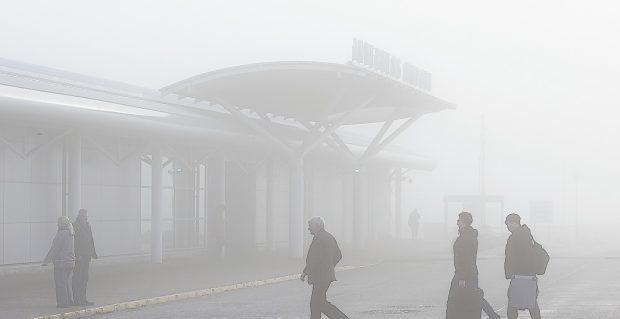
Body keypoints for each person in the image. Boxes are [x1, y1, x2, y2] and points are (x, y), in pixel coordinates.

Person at [446, 212, 500, 319]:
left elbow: (466, 259)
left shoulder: (466, 237)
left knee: (456, 300)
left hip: (464, 274)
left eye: (459, 220)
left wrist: (462, 277)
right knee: (473, 297)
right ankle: (493, 315)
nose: (457, 222)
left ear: (463, 222)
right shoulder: (468, 235)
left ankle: (493, 315)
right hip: (468, 273)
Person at [300, 217, 349, 319]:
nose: (308, 229)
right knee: (319, 302)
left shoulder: (319, 238)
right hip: (325, 276)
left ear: (318, 225)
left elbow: (314, 258)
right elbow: (338, 255)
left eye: (310, 226)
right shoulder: (329, 236)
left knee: (316, 303)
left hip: (320, 276)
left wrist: (305, 272)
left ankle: (341, 318)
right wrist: (329, 266)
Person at [504, 213, 541, 319]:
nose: (509, 226)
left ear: (517, 223)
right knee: (530, 302)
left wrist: (511, 272)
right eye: (507, 223)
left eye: (511, 223)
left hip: (521, 274)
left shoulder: (517, 236)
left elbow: (515, 256)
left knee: (513, 303)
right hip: (526, 274)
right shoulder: (525, 234)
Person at [43, 216, 75, 308]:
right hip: (70, 262)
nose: (57, 224)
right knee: (65, 282)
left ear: (62, 224)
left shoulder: (61, 234)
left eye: (58, 223)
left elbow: (54, 249)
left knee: (61, 284)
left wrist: (46, 261)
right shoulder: (71, 232)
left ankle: (63, 303)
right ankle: (70, 301)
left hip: (61, 263)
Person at [72, 209, 98, 306]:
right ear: (79, 216)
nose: (86, 218)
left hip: (87, 256)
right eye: (84, 216)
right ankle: (77, 300)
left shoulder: (87, 225)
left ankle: (83, 299)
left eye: (87, 216)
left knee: (84, 278)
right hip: (80, 257)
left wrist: (93, 253)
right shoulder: (74, 225)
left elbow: (91, 239)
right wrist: (77, 255)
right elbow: (75, 242)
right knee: (77, 278)